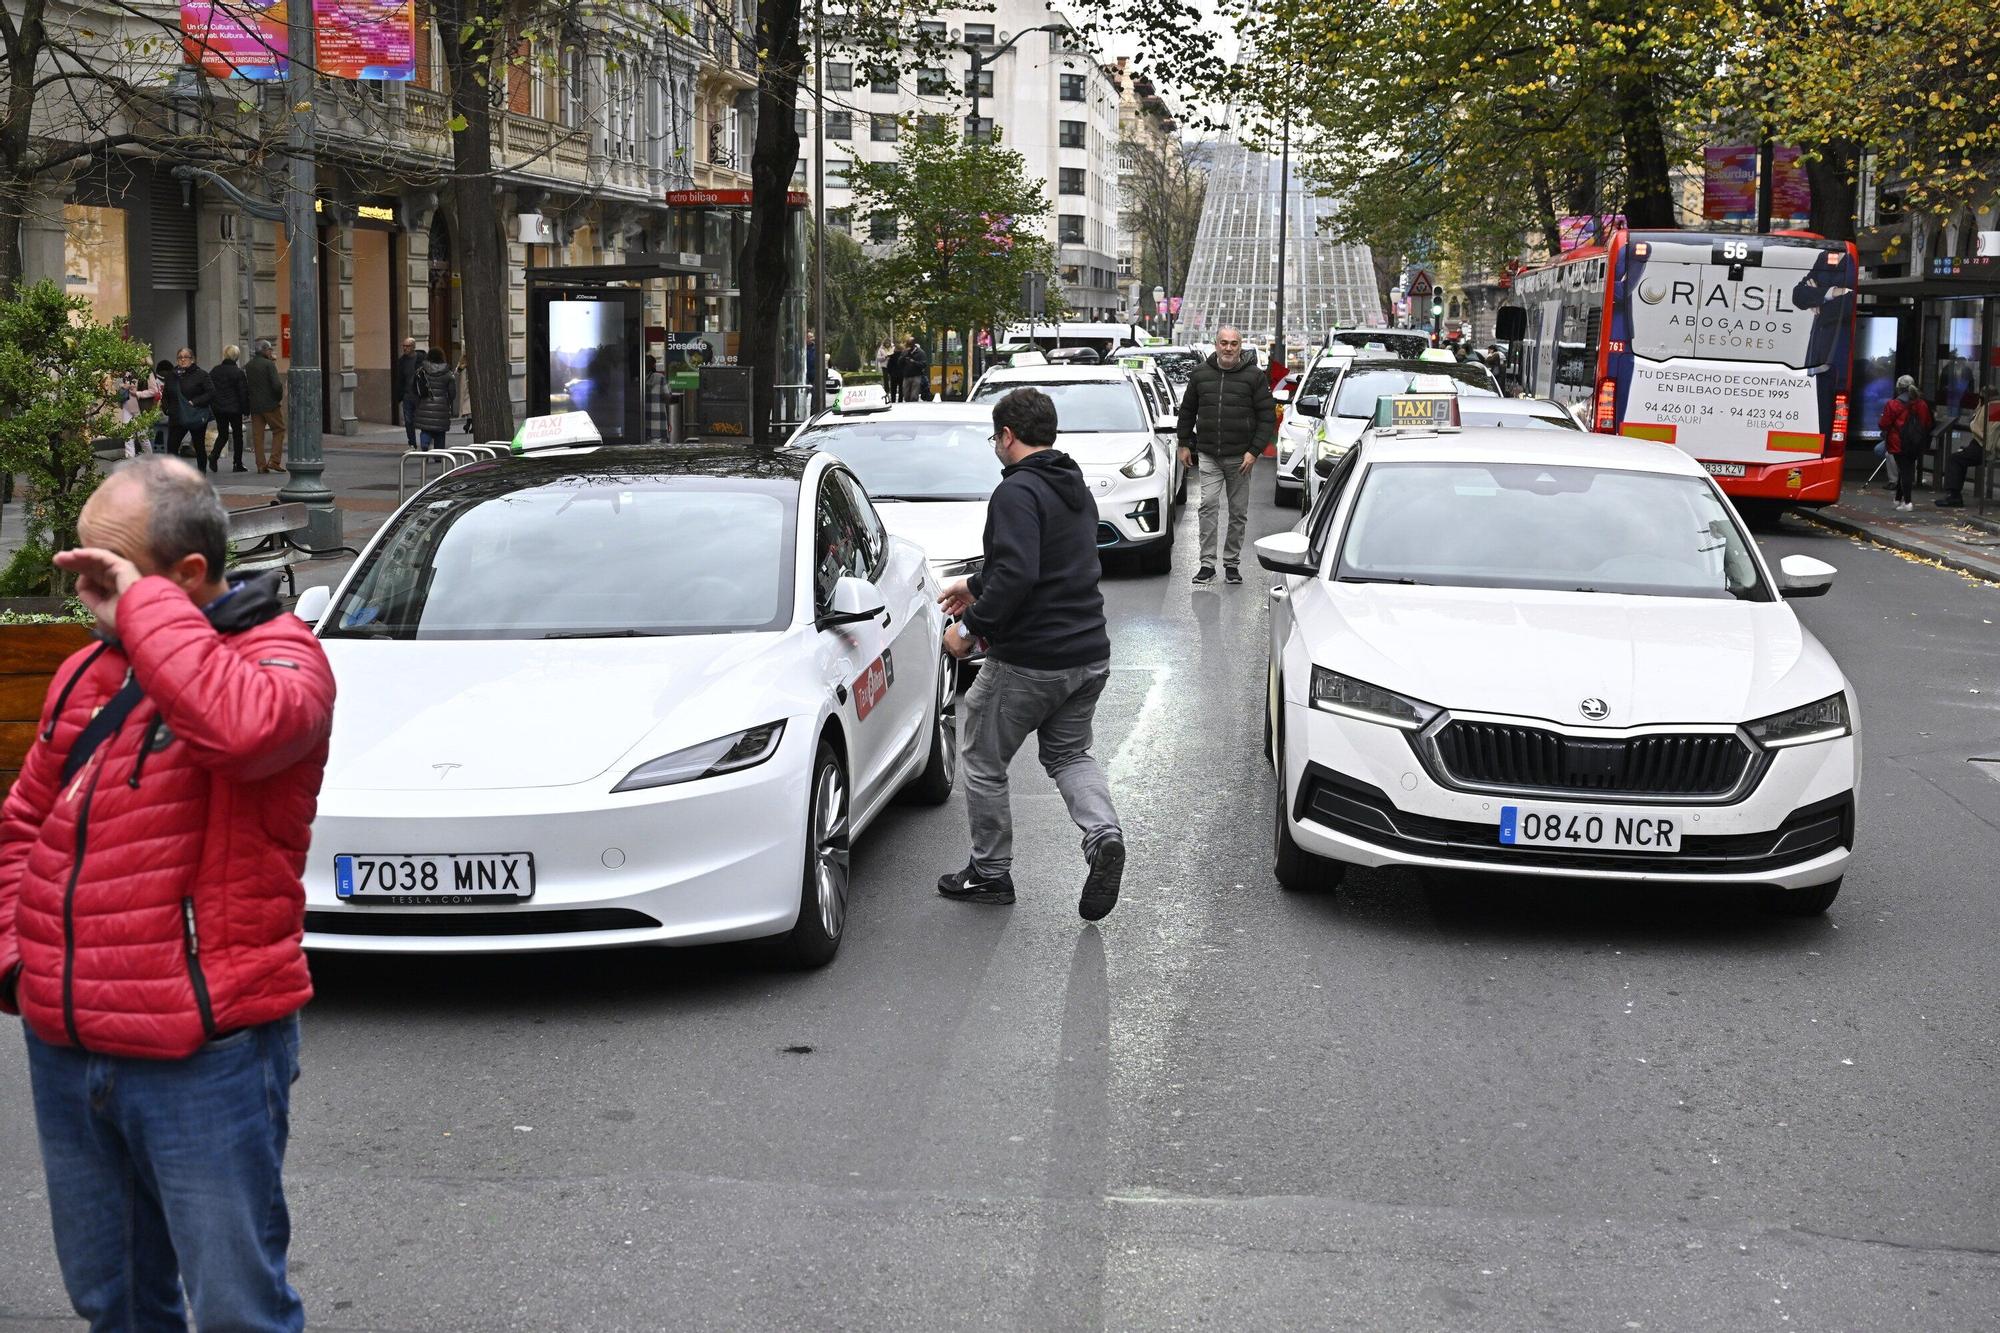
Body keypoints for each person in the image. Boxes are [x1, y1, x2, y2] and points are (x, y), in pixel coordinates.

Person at [0, 455, 335, 1333]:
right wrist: (17, 963)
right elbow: (22, 826)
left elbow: (237, 729)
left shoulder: (282, 662)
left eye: (109, 571)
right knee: (112, 1301)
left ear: (188, 574)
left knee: (237, 1311)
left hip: (206, 1056)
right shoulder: (87, 675)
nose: (88, 593)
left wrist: (144, 613)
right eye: (81, 568)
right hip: (68, 1045)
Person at [936, 388, 1125, 919]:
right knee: (1069, 755)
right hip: (1088, 652)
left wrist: (968, 629)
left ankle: (990, 873)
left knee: (981, 758)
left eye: (995, 437)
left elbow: (1019, 573)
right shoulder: (1073, 485)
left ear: (1007, 436)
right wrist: (976, 583)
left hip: (1031, 660)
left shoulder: (1016, 492)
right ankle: (1103, 836)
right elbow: (1047, 561)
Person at [1176, 325, 1275, 584]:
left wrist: (1254, 452)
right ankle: (1207, 564)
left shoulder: (1254, 377)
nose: (1228, 348)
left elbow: (1266, 417)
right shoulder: (1200, 375)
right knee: (1207, 506)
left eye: (1233, 343)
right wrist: (1184, 443)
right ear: (1216, 345)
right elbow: (1187, 410)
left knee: (1238, 512)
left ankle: (1232, 563)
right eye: (1224, 343)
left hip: (1241, 458)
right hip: (1209, 454)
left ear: (1240, 346)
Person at [1879, 374, 1933, 512]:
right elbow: (1927, 423)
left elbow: (1884, 424)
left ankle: (1908, 502)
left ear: (1898, 388)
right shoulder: (1922, 404)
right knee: (1905, 469)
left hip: (1899, 442)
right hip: (1916, 443)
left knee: (1905, 471)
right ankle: (1897, 500)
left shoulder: (1893, 404)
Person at [1936, 391, 1987, 509]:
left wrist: (1974, 424)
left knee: (1955, 460)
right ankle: (1954, 494)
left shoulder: (1988, 409)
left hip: (1982, 446)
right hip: (1979, 445)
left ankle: (1954, 495)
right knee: (1959, 458)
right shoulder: (1987, 407)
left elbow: (1982, 430)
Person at [166, 347, 213, 468]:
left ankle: (201, 474)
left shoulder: (201, 374)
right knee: (172, 446)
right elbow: (166, 393)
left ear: (192, 359)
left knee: (199, 446)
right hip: (177, 415)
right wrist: (166, 408)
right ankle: (174, 475)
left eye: (185, 357)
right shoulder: (172, 375)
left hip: (195, 415)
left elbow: (211, 393)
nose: (182, 360)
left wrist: (195, 402)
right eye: (179, 357)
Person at [208, 344, 250, 473]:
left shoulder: (215, 371)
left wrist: (213, 404)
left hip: (219, 408)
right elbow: (243, 393)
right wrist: (246, 410)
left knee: (223, 434)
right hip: (234, 409)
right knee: (238, 436)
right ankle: (237, 463)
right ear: (236, 357)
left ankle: (214, 455)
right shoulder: (238, 373)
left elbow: (210, 388)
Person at [247, 338, 286, 473]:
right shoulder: (269, 365)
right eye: (270, 349)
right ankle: (274, 461)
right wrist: (278, 398)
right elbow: (276, 385)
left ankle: (260, 465)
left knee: (258, 435)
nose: (271, 352)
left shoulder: (249, 365)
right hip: (270, 404)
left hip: (255, 405)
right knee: (279, 429)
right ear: (264, 350)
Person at [411, 347, 457, 449]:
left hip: (424, 404)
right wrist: (447, 402)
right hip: (442, 406)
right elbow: (452, 393)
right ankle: (438, 456)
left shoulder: (421, 371)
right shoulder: (448, 374)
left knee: (425, 429)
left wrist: (417, 403)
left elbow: (415, 389)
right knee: (440, 432)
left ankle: (425, 443)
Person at [392, 335, 425, 449]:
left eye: (407, 346)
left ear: (413, 347)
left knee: (423, 420)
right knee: (408, 420)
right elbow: (399, 379)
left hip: (420, 395)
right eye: (404, 346)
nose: (405, 348)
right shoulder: (401, 362)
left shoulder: (421, 359)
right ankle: (412, 443)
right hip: (407, 395)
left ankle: (425, 443)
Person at [148, 359, 176, 456]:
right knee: (168, 433)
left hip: (154, 414)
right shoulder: (173, 381)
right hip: (168, 414)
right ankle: (168, 451)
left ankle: (151, 451)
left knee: (152, 432)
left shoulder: (154, 381)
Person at [645, 354, 672, 441]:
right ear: (653, 365)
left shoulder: (638, 379)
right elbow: (668, 395)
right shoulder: (660, 378)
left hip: (642, 427)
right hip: (658, 424)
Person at [902, 336, 930, 403]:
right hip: (907, 375)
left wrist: (914, 362)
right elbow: (899, 363)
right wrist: (903, 357)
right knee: (906, 394)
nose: (909, 347)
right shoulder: (905, 352)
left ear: (913, 345)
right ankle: (907, 403)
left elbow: (924, 364)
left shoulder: (920, 353)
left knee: (914, 395)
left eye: (910, 345)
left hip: (916, 375)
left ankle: (913, 405)